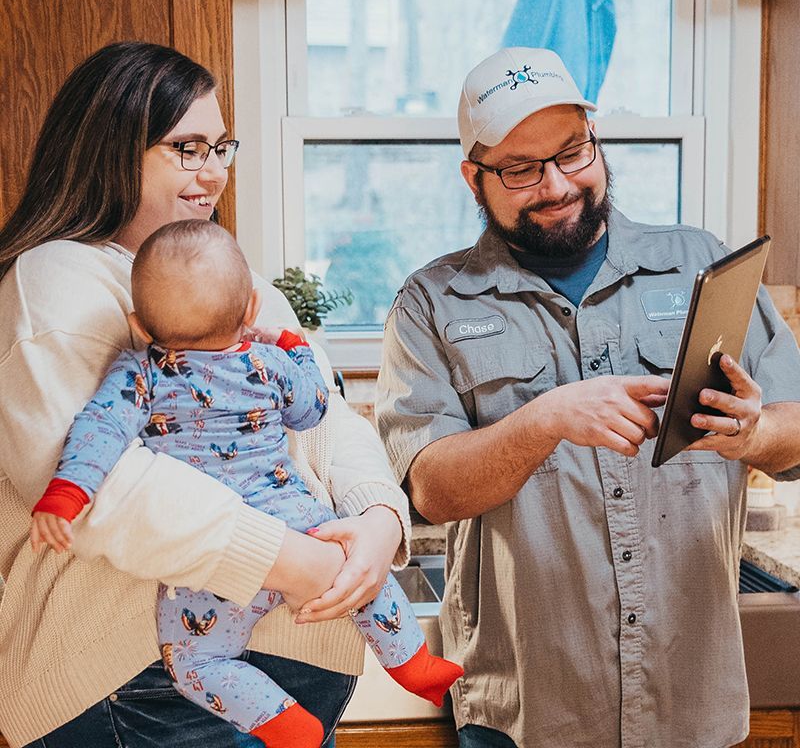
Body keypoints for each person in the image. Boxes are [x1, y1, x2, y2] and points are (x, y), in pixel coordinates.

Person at [376, 46, 800, 748]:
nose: (556, 184)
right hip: (529, 709)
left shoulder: (700, 264)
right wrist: (543, 420)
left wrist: (753, 434)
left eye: (574, 152)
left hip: (690, 700)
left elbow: (795, 426)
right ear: (472, 178)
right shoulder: (431, 304)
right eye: (520, 169)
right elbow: (432, 490)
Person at [0, 41, 411, 748]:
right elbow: (104, 488)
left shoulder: (237, 290)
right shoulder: (58, 279)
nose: (214, 172)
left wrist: (379, 525)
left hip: (276, 674)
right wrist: (305, 562)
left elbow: (326, 422)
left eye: (222, 146)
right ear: (110, 148)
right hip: (143, 686)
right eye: (188, 148)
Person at [30, 219, 463, 748]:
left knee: (196, 661)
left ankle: (278, 719)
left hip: (211, 568)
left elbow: (100, 428)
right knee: (365, 582)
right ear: (251, 311)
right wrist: (292, 346)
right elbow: (313, 409)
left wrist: (68, 490)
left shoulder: (140, 373)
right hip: (298, 521)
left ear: (139, 325)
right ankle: (414, 663)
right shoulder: (269, 363)